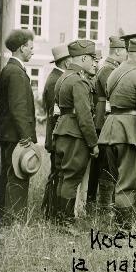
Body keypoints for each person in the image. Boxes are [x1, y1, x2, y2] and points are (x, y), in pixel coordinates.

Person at [97, 37, 136, 231]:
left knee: (111, 178)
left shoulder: (114, 73)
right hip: (130, 133)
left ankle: (106, 222)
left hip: (110, 129)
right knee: (128, 183)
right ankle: (123, 230)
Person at [51, 39, 99, 231]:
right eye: (92, 58)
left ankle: (60, 218)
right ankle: (67, 223)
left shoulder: (63, 77)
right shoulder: (79, 80)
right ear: (85, 58)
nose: (93, 62)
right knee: (72, 177)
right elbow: (85, 116)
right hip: (75, 134)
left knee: (63, 176)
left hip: (62, 130)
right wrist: (93, 143)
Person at [0, 29, 37, 224]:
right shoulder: (16, 73)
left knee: (7, 175)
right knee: (18, 177)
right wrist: (26, 138)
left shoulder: (9, 69)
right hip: (16, 135)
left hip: (8, 134)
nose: (33, 51)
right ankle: (15, 219)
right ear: (22, 48)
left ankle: (3, 215)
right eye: (30, 47)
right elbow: (19, 108)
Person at [89, 35, 129, 210]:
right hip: (103, 120)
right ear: (119, 51)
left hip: (105, 119)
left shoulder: (111, 67)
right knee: (103, 164)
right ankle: (99, 203)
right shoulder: (108, 70)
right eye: (126, 51)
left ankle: (97, 201)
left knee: (104, 164)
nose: (128, 55)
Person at [40, 44, 70, 220]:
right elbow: (55, 113)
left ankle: (51, 211)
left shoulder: (55, 77)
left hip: (56, 134)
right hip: (57, 135)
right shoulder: (56, 80)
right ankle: (51, 211)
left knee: (57, 173)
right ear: (66, 61)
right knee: (56, 174)